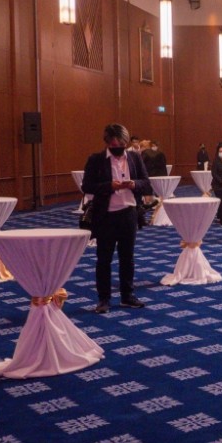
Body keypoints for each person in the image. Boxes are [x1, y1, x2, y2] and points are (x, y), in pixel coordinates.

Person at [81, 123, 151, 314]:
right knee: (104, 259)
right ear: (107, 143)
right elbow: (87, 186)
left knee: (127, 258)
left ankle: (127, 296)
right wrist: (109, 186)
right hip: (106, 216)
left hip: (129, 213)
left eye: (121, 144)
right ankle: (104, 299)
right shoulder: (96, 160)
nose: (118, 147)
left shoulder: (135, 158)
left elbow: (146, 183)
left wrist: (134, 184)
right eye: (113, 144)